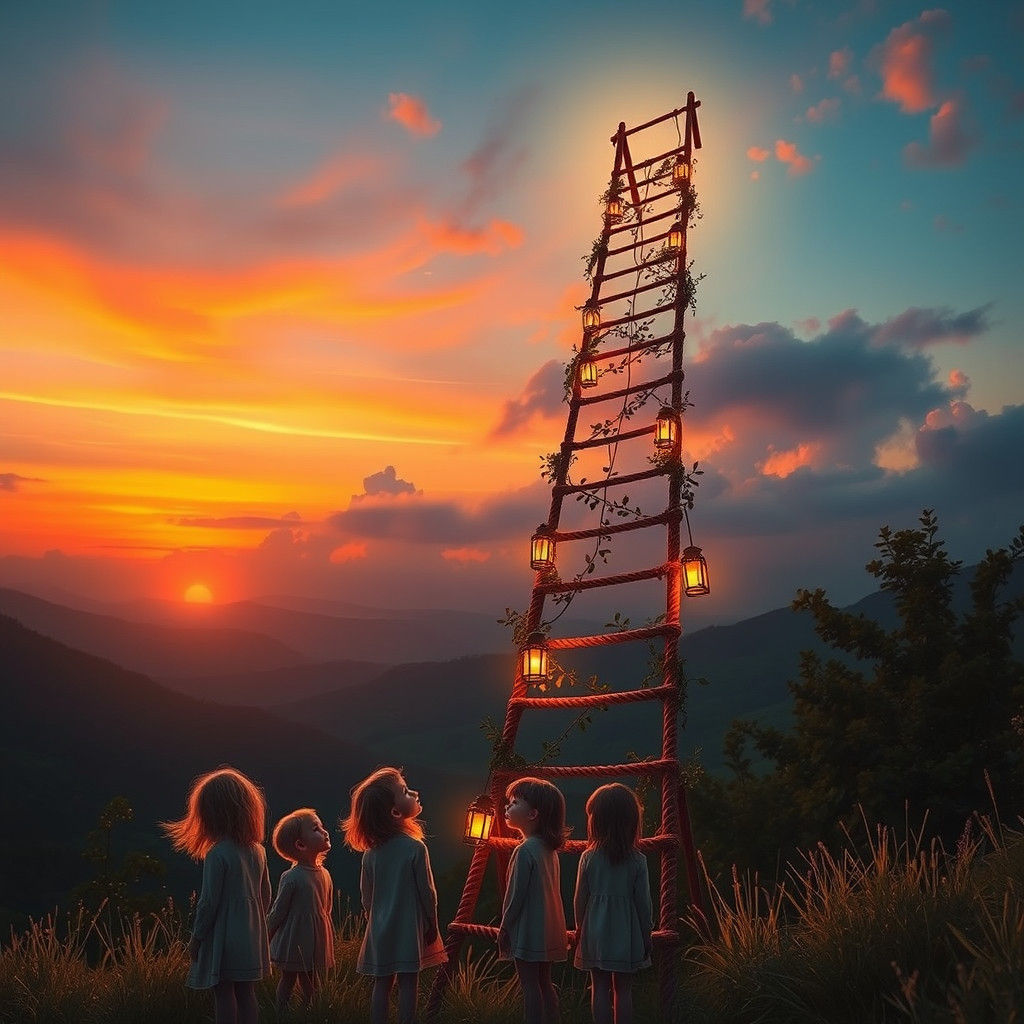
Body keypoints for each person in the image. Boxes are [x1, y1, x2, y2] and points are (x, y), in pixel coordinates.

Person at [162, 766, 271, 1024]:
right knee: (247, 993)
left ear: (210, 814)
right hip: (251, 934)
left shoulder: (217, 854)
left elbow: (208, 903)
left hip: (225, 937)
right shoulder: (258, 851)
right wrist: (257, 924)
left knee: (223, 993)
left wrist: (197, 938)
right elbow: (265, 895)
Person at [342, 767, 446, 1024]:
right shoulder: (415, 848)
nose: (414, 792)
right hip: (408, 928)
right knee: (409, 983)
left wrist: (373, 920)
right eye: (405, 791)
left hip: (380, 927)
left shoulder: (371, 854)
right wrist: (432, 923)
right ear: (395, 812)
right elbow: (427, 892)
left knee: (382, 984)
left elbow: (366, 897)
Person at [573, 784, 653, 1024]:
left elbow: (580, 898)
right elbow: (643, 903)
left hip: (595, 931)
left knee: (599, 987)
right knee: (624, 990)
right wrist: (646, 933)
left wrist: (579, 928)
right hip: (626, 932)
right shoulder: (638, 860)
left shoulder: (588, 856)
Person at [498, 776, 569, 1024]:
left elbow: (515, 895)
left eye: (515, 802)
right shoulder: (548, 850)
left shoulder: (525, 850)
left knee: (529, 986)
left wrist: (505, 927)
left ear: (533, 815)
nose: (507, 807)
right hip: (549, 927)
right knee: (544, 982)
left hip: (528, 929)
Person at [267, 808, 335, 1015]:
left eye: (322, 826)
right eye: (316, 829)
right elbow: (278, 911)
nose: (325, 832)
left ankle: (306, 1013)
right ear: (301, 845)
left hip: (309, 937)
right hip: (295, 939)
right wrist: (265, 935)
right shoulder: (291, 877)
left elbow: (327, 907)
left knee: (309, 979)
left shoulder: (324, 874)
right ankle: (283, 1012)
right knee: (289, 978)